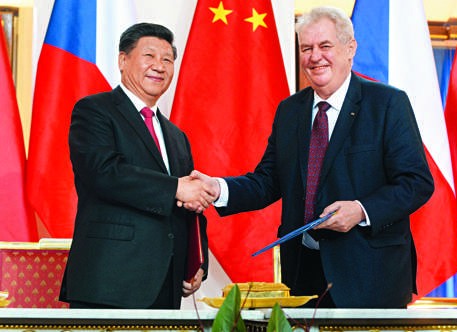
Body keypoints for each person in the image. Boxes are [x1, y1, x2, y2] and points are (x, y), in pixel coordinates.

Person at [189, 6, 434, 308]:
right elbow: (268, 181)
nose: (315, 56)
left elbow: (417, 182)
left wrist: (360, 210)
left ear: (350, 49)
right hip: (303, 276)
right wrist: (217, 188)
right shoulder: (290, 111)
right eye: (306, 48)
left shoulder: (387, 103)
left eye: (325, 46)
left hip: (371, 276)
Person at [59, 23, 216, 309]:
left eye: (167, 59)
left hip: (166, 283)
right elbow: (103, 173)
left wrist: (197, 261)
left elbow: (190, 206)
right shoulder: (94, 110)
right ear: (122, 60)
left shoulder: (177, 137)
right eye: (149, 56)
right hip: (109, 282)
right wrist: (176, 187)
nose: (159, 66)